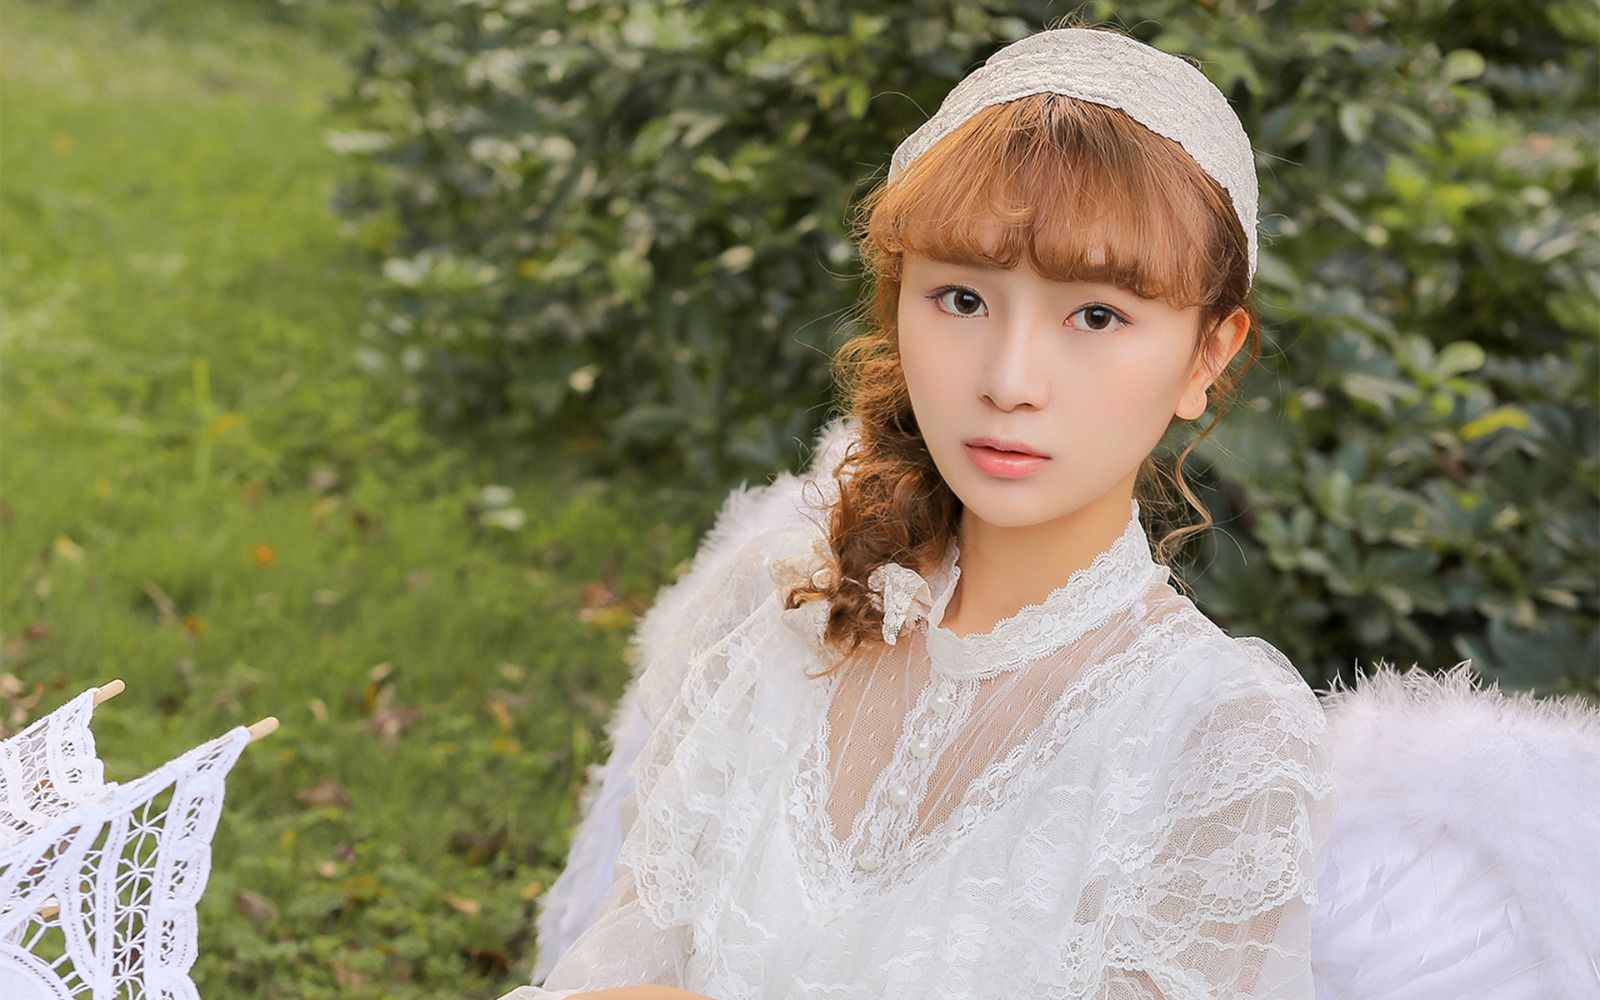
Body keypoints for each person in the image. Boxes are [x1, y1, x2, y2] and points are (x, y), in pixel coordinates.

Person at [501, 22, 1339, 999]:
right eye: (962, 300)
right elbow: (621, 964)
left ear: (1208, 355)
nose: (1010, 381)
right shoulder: (774, 607)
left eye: (1096, 315)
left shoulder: (1219, 739)